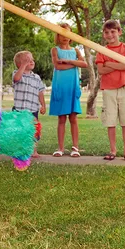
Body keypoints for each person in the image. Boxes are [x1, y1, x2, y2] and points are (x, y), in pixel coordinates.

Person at [96, 19, 125, 161]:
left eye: (113, 31)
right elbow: (101, 70)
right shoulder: (102, 50)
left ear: (119, 32)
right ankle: (113, 150)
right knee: (110, 121)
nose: (110, 35)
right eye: (106, 32)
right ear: (103, 35)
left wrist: (110, 63)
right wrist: (119, 63)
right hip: (108, 89)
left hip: (124, 87)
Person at [49, 23, 88, 157]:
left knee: (73, 118)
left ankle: (75, 147)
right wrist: (74, 64)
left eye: (67, 33)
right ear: (58, 36)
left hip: (72, 87)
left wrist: (67, 61)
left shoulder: (76, 50)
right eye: (61, 33)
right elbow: (57, 66)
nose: (65, 37)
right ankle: (60, 148)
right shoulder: (55, 50)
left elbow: (85, 64)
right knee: (61, 118)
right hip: (61, 87)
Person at [12, 51, 46, 158]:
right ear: (19, 64)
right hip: (19, 109)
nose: (31, 61)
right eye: (27, 60)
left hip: (32, 110)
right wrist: (23, 66)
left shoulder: (37, 78)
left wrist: (43, 105)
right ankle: (19, 150)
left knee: (33, 130)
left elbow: (40, 92)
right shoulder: (17, 73)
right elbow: (16, 79)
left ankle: (33, 150)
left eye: (32, 59)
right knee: (19, 131)